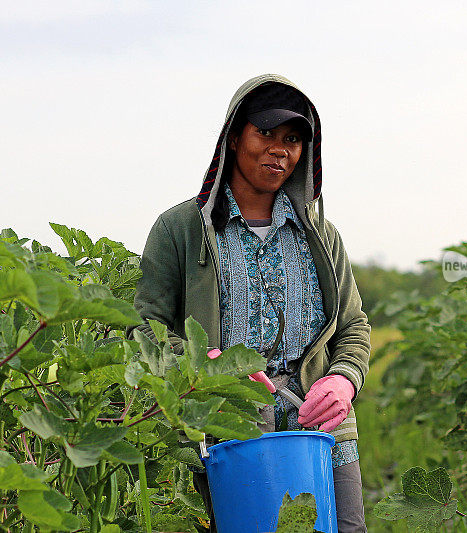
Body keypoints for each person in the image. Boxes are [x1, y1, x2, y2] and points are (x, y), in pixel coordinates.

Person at [131, 73, 371, 532]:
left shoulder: (320, 233)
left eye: (293, 138)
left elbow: (354, 324)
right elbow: (145, 331)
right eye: (265, 132)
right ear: (234, 137)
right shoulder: (182, 230)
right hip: (230, 423)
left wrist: (343, 380)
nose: (279, 148)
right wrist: (209, 364)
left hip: (320, 426)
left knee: (343, 528)